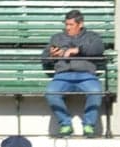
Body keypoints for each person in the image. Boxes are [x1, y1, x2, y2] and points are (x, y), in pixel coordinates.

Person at [42, 9, 105, 137]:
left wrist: (77, 50)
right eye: (66, 24)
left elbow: (98, 49)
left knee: (96, 91)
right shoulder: (57, 38)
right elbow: (44, 57)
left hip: (86, 75)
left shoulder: (92, 36)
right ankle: (65, 124)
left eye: (71, 25)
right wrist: (51, 55)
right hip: (63, 75)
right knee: (51, 93)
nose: (68, 28)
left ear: (80, 24)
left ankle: (88, 125)